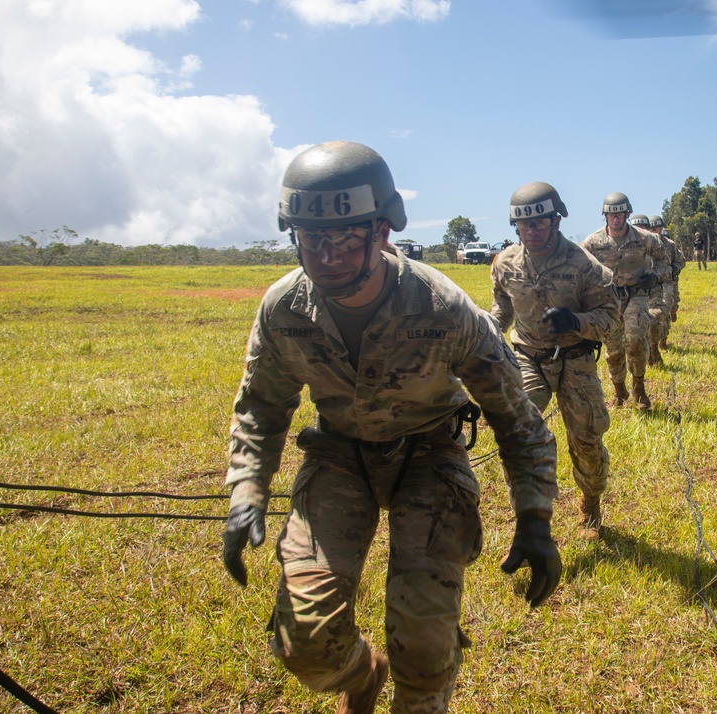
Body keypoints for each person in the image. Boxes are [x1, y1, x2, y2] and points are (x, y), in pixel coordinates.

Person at [221, 141, 562, 714]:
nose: (326, 256)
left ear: (382, 231)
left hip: (429, 458)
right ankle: (363, 676)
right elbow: (261, 406)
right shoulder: (283, 309)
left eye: (345, 239)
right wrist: (246, 490)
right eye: (310, 240)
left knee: (425, 647)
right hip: (338, 458)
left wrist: (534, 517)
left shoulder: (441, 306)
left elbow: (514, 417)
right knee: (305, 641)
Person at [490, 182, 621, 539]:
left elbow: (611, 319)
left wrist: (576, 322)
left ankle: (590, 506)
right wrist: (484, 331)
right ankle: (531, 522)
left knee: (587, 439)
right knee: (518, 435)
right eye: (524, 225)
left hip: (575, 359)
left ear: (556, 221)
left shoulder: (584, 266)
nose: (531, 231)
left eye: (539, 223)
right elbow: (501, 310)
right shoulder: (505, 264)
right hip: (529, 358)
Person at [580, 194, 666, 410]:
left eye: (619, 215)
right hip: (608, 300)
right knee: (614, 348)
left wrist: (655, 276)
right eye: (611, 215)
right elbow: (578, 267)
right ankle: (619, 390)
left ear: (627, 214)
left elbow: (663, 259)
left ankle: (638, 386)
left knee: (635, 338)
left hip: (636, 295)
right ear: (605, 216)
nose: (615, 219)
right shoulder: (592, 243)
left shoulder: (644, 238)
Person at [630, 214, 668, 366]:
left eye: (643, 227)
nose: (640, 230)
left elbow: (665, 264)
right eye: (636, 227)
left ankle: (654, 347)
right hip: (633, 294)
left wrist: (655, 276)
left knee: (653, 319)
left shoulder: (654, 244)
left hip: (654, 290)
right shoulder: (625, 246)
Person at [647, 216, 685, 348]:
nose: (654, 231)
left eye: (656, 228)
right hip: (651, 285)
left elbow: (681, 261)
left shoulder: (670, 244)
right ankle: (653, 343)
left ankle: (663, 342)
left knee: (666, 311)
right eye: (651, 228)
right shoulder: (644, 244)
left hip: (667, 282)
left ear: (661, 228)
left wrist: (674, 268)